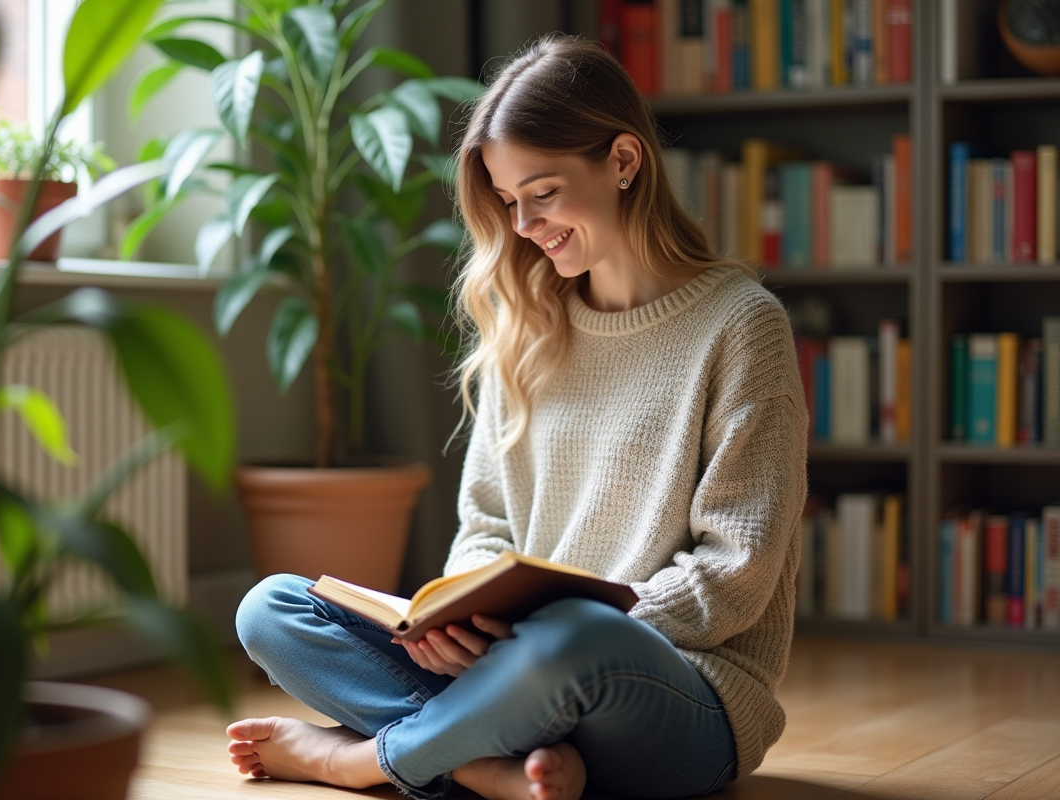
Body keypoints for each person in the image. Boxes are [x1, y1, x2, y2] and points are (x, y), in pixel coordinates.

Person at [227, 33, 807, 800]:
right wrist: (456, 624)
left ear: (624, 162)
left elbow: (736, 574)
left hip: (674, 693)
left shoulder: (742, 327)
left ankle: (365, 760)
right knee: (269, 609)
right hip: (515, 665)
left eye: (543, 192)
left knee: (578, 638)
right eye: (508, 203)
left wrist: (535, 639)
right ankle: (489, 764)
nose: (525, 225)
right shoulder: (530, 324)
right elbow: (486, 527)